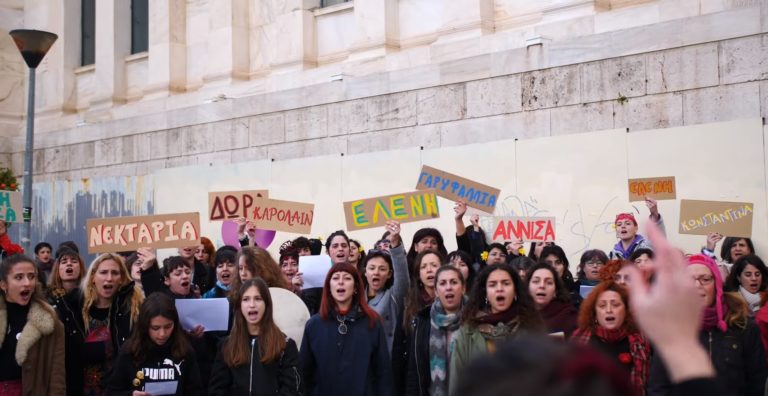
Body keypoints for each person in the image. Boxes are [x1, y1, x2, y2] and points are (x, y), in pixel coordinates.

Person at [453, 223, 727, 396]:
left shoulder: (621, 341)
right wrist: (682, 347)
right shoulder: (576, 343)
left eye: (615, 303)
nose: (609, 310)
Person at [648, 254, 768, 395]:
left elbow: (756, 379)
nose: (697, 285)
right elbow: (658, 386)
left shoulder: (743, 327)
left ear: (717, 285)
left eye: (705, 279)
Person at [58, 253, 144, 396]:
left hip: (120, 389)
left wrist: (151, 273)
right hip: (79, 388)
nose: (109, 278)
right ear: (93, 277)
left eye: (115, 273)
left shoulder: (132, 310)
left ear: (122, 279)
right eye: (103, 272)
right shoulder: (71, 308)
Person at [449, 263, 543, 393]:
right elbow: (457, 381)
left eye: (506, 283)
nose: (500, 289)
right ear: (485, 293)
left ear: (515, 290)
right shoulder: (468, 331)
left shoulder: (530, 327)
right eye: (492, 285)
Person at [300, 262, 391, 395]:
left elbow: (383, 372)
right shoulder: (314, 325)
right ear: (329, 287)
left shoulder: (372, 322)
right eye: (336, 278)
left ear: (355, 287)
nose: (341, 282)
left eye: (347, 278)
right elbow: (305, 373)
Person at [209, 279, 301, 395]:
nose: (252, 305)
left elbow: (291, 389)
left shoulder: (285, 345)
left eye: (258, 299)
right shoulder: (227, 346)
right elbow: (217, 389)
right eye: (246, 299)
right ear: (240, 305)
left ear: (266, 304)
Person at [107, 293, 202, 395]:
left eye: (168, 326)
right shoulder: (129, 351)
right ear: (145, 326)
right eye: (155, 328)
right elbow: (113, 390)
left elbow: (196, 390)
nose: (162, 334)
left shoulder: (185, 350)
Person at [0, 254, 65, 395]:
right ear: (3, 284)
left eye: (31, 276)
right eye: (19, 277)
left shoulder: (50, 321)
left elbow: (57, 374)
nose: (27, 283)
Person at [571, 281, 651, 395]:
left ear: (626, 310)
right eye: (602, 305)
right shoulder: (579, 339)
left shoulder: (639, 342)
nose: (609, 310)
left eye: (615, 305)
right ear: (594, 313)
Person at [405, 265, 466, 396]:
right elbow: (414, 371)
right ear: (437, 291)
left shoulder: (475, 321)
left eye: (454, 282)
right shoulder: (423, 321)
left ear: (463, 288)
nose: (448, 287)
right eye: (443, 283)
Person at [364, 221, 409, 353]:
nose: (376, 272)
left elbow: (402, 275)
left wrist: (395, 243)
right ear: (365, 272)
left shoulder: (394, 295)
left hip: (388, 360)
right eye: (371, 268)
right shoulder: (356, 298)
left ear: (389, 274)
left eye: (382, 269)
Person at [527, 262, 577, 338]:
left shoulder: (570, 317)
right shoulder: (518, 315)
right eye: (536, 281)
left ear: (556, 291)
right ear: (527, 287)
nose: (542, 286)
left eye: (549, 282)